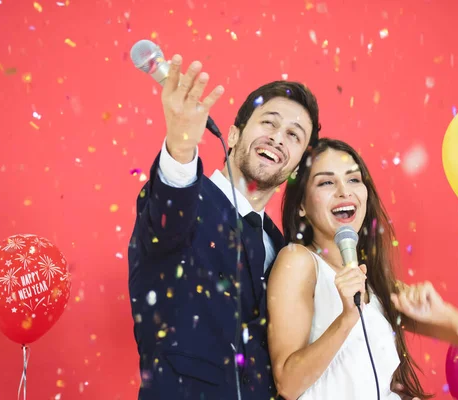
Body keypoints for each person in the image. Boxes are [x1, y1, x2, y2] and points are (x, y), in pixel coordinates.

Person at [128, 52, 321, 400]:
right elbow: (169, 216)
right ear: (232, 135)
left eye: (294, 135)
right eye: (269, 123)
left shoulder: (283, 249)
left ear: (294, 169)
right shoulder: (189, 199)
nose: (278, 137)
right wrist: (182, 145)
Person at [267, 138, 458, 400]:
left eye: (354, 179)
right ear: (302, 206)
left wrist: (443, 314)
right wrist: (346, 319)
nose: (345, 191)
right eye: (326, 182)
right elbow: (287, 383)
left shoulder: (373, 282)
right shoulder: (298, 260)